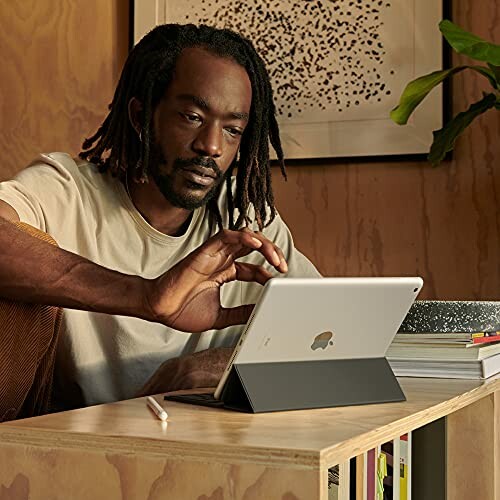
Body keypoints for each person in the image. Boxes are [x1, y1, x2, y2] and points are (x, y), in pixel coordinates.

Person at [0, 24, 320, 414]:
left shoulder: (247, 221)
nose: (212, 146)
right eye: (191, 117)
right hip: (80, 455)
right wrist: (147, 296)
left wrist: (227, 367)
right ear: (140, 115)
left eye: (233, 129)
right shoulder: (67, 192)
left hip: (220, 451)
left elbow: (327, 332)